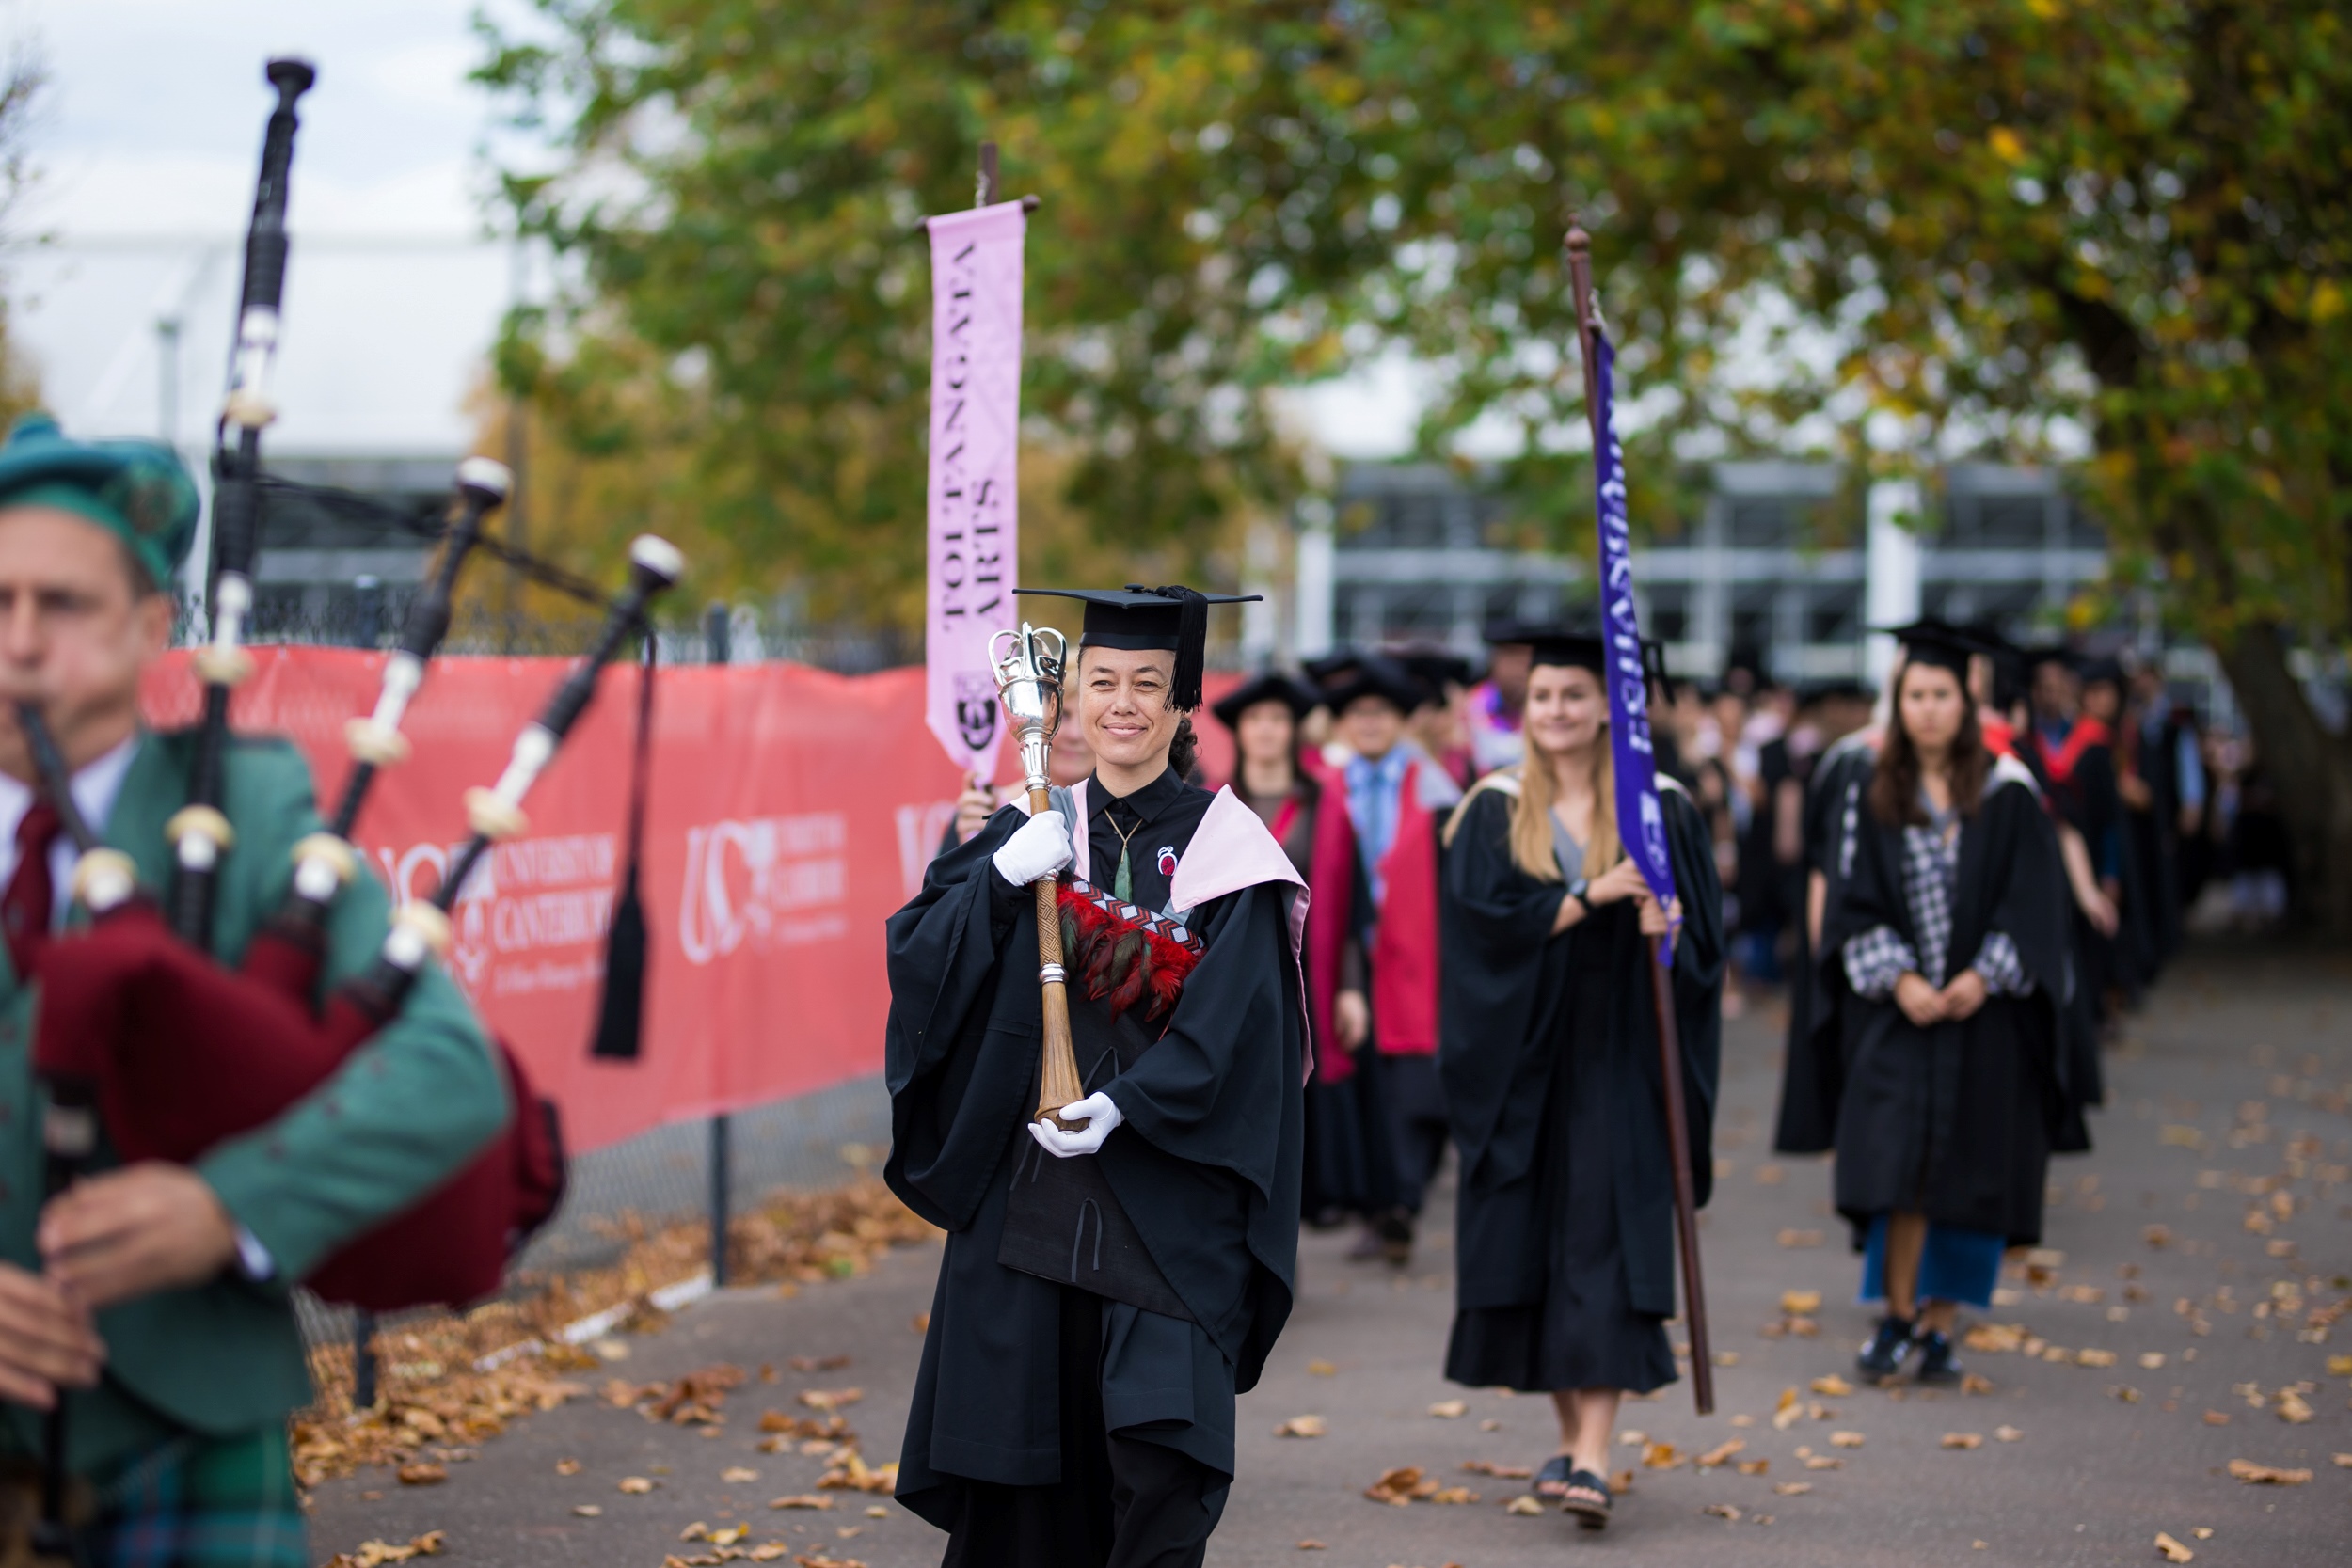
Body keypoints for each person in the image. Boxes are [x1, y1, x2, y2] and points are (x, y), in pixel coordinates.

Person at [0, 415, 507, 1565]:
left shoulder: (249, 813)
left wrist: (225, 1207)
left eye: (63, 604)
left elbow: (445, 1071)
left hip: (186, 1417)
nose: (20, 641)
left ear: (147, 628)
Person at [885, 585, 1307, 1568]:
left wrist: (1126, 1102)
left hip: (1167, 1198)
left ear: (1181, 703)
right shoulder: (1033, 825)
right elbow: (920, 960)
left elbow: (1242, 1029)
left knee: (1158, 1460)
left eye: (1146, 684)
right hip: (1028, 1191)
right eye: (1101, 681)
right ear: (1069, 701)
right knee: (1020, 1470)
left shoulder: (1227, 851)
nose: (1122, 702)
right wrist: (991, 880)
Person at [1435, 631, 1723, 1529]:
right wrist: (1588, 896)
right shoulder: (1492, 807)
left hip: (1619, 1059)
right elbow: (1478, 935)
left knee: (1601, 1248)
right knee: (1535, 1255)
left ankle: (1594, 1455)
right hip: (1523, 1065)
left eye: (1574, 695)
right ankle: (1571, 1439)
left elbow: (1703, 948)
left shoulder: (1659, 809)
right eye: (1544, 695)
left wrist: (1669, 926)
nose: (1557, 709)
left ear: (1609, 707)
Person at [1818, 626, 2077, 1386]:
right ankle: (1896, 1315)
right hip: (1898, 1013)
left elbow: (2035, 907)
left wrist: (1984, 976)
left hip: (1983, 1017)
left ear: (1967, 703)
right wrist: (1901, 979)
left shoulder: (2006, 791)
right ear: (1898, 705)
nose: (1928, 710)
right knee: (1895, 1169)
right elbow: (1850, 904)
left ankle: (1940, 1324)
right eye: (1915, 696)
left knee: (1969, 1170)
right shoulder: (1872, 790)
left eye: (1941, 696)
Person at [1211, 671, 1390, 1230]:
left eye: (1278, 719)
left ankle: (1282, 1242)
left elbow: (1355, 904)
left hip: (1308, 979)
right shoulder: (1211, 805)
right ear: (1239, 730)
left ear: (1293, 730)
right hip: (1231, 984)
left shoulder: (1327, 809)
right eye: (1255, 719)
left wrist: (1353, 990)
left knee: (1297, 1112)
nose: (1266, 730)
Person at [1317, 651, 1461, 1264]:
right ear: (1344, 723)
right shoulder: (1326, 788)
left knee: (1412, 1086)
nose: (1370, 723)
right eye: (1358, 713)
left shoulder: (1435, 787)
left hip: (1414, 956)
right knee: (1364, 1085)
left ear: (1402, 720)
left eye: (1381, 712)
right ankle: (1381, 1206)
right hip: (1346, 954)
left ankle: (1402, 1200)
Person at [1467, 624, 1534, 774]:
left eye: (1528, 660)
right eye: (1513, 657)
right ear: (1493, 661)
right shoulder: (1466, 710)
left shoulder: (1549, 713)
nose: (1521, 669)